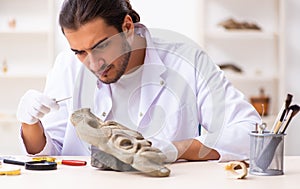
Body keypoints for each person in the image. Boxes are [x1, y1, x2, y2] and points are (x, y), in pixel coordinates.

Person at [16, 0, 261, 163]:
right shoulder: (67, 66)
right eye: (79, 52)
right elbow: (51, 151)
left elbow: (250, 132)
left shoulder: (186, 60)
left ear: (127, 27)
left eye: (101, 46)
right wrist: (30, 123)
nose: (93, 63)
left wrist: (177, 149)